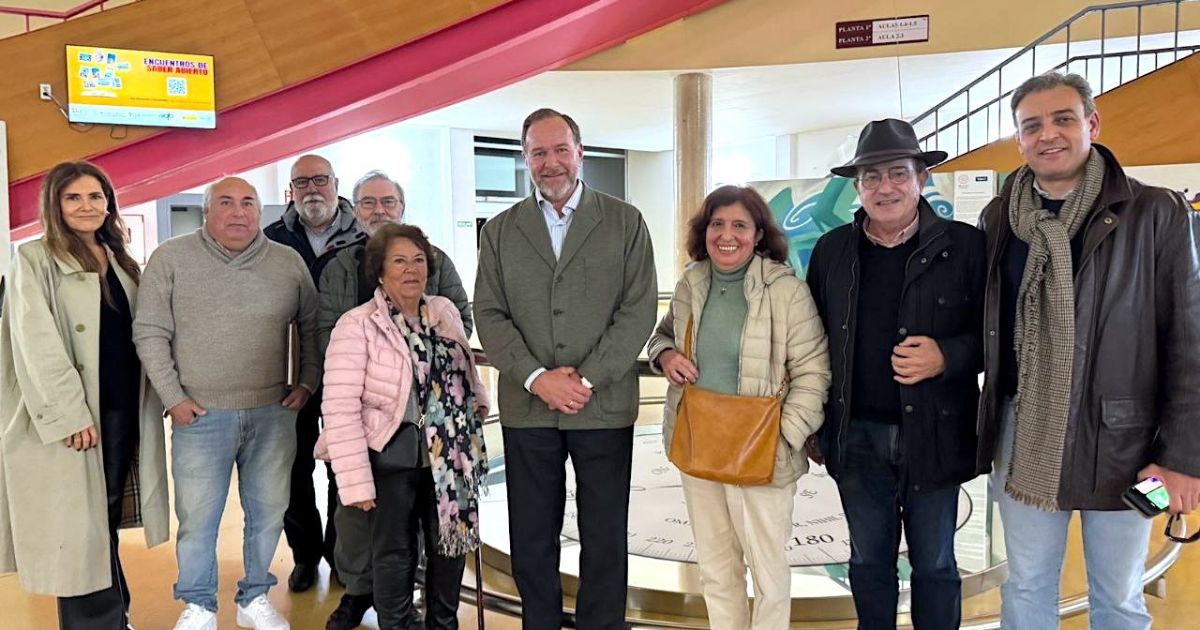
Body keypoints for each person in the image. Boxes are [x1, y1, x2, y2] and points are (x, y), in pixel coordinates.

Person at [976, 72, 1200, 629]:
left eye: (1063, 119)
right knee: (1026, 586)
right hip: (1023, 431)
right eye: (1031, 125)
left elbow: (1190, 341)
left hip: (1126, 442)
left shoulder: (1156, 212)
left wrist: (1182, 459)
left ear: (1092, 124)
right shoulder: (999, 218)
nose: (1047, 134)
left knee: (1119, 595)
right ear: (1019, 139)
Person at [474, 108, 657, 629]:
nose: (550, 162)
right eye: (538, 152)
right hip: (528, 408)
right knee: (532, 535)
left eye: (560, 150)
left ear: (580, 152)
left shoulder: (625, 222)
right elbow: (489, 313)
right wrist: (538, 378)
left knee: (604, 535)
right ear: (525, 158)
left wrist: (586, 378)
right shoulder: (500, 231)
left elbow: (638, 309)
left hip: (603, 406)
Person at [806, 118, 985, 629]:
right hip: (856, 437)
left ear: (922, 178)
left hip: (937, 432)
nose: (885, 187)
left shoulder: (966, 247)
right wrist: (815, 426)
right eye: (871, 177)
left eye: (898, 174)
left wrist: (947, 356)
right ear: (857, 187)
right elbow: (812, 343)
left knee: (936, 565)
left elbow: (998, 337)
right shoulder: (832, 251)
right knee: (867, 563)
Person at [133, 176, 320, 630]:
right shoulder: (171, 259)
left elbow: (313, 327)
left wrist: (308, 382)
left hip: (273, 412)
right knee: (198, 519)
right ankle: (199, 604)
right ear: (206, 211)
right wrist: (174, 397)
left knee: (269, 512)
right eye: (226, 203)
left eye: (248, 203)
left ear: (260, 211)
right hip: (199, 416)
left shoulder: (288, 262)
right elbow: (150, 332)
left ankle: (254, 597)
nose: (238, 212)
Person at [646, 185, 830, 629]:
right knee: (716, 570)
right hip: (700, 444)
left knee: (769, 575)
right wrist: (665, 355)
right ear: (704, 231)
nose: (726, 235)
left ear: (759, 234)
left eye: (740, 225)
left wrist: (783, 435)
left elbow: (814, 372)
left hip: (764, 451)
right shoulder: (691, 283)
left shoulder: (786, 291)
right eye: (717, 224)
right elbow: (662, 335)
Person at [0, 161, 169, 630]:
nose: (86, 206)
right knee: (80, 529)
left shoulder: (118, 257)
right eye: (73, 197)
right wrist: (70, 415)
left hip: (122, 406)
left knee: (105, 515)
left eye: (96, 196)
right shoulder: (34, 258)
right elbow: (36, 342)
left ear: (109, 204)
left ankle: (116, 615)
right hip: (80, 416)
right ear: (54, 205)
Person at [318, 170, 472, 630]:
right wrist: (355, 481)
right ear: (380, 271)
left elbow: (464, 369)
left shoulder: (443, 312)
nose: (411, 270)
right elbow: (340, 407)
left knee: (449, 546)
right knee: (393, 551)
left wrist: (477, 407)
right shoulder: (355, 324)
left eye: (418, 261)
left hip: (447, 454)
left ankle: (442, 624)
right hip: (390, 454)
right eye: (399, 262)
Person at [264, 154, 364, 593]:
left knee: (347, 466)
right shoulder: (272, 240)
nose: (311, 189)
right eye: (301, 182)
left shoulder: (365, 236)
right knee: (293, 469)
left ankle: (342, 555)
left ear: (336, 183)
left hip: (351, 375)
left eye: (319, 180)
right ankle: (305, 556)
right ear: (292, 190)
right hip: (290, 376)